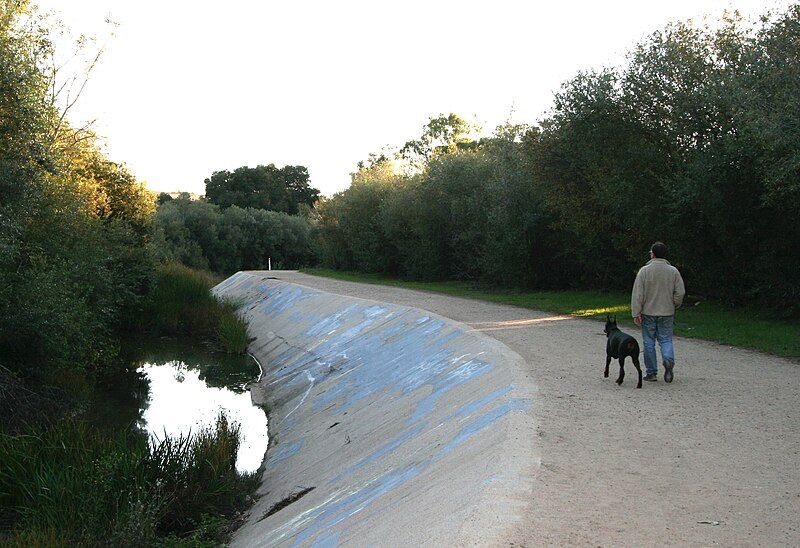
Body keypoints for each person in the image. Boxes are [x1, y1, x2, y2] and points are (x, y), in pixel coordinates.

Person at [631, 242, 685, 383]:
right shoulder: (673, 271)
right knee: (666, 339)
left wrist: (636, 312)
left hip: (648, 311)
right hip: (667, 311)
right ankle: (668, 360)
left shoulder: (644, 271)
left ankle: (652, 372)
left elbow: (638, 294)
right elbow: (680, 292)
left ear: (652, 254)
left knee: (649, 341)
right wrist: (675, 304)